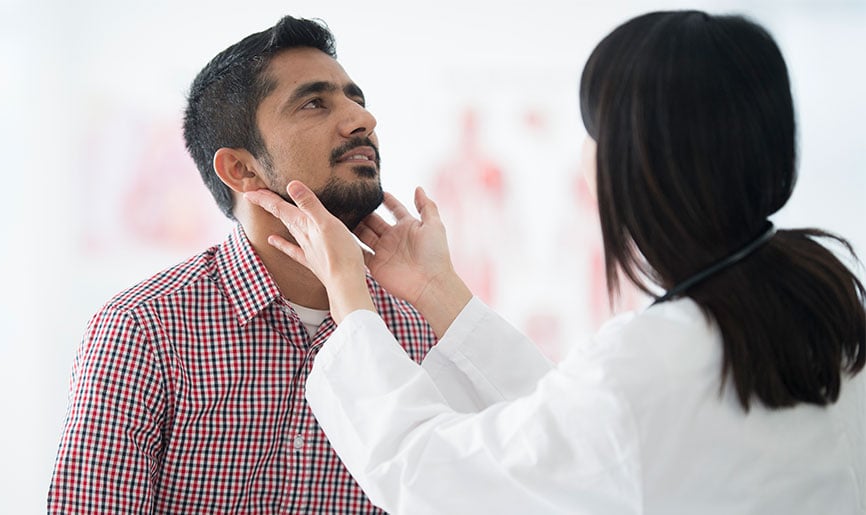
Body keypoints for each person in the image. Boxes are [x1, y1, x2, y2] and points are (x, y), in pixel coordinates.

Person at [245, 10, 866, 514]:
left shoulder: (651, 365)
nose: (362, 120)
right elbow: (572, 430)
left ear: (637, 162)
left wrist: (351, 302)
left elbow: (432, 475)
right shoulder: (827, 305)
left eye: (594, 132)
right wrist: (436, 288)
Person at [47, 16, 436, 513]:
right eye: (314, 103)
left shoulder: (419, 331)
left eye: (355, 99)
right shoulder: (144, 329)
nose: (363, 119)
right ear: (240, 168)